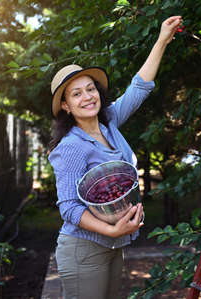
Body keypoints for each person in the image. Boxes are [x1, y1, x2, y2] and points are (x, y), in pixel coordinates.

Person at [47, 16, 183, 299]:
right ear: (66, 106)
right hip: (83, 249)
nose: (87, 97)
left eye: (91, 89)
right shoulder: (71, 147)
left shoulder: (109, 122)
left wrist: (162, 39)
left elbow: (139, 87)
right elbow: (69, 208)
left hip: (114, 244)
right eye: (76, 94)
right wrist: (110, 231)